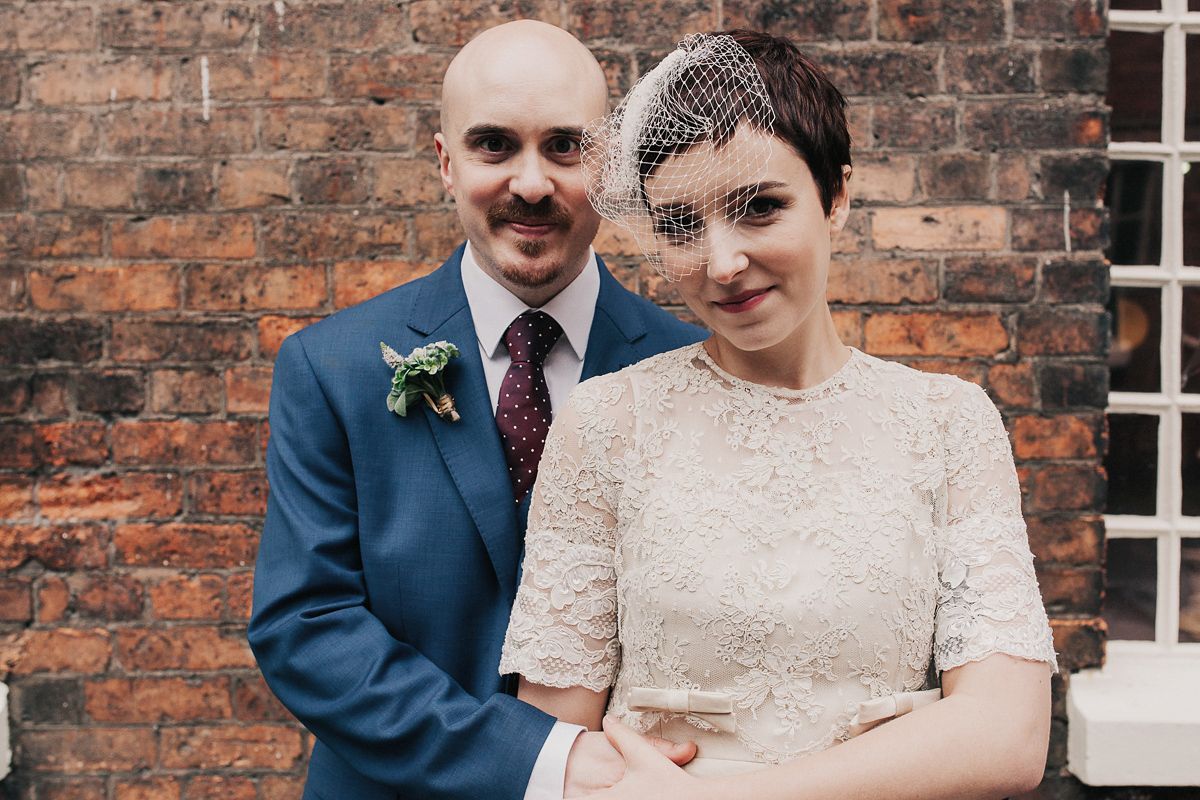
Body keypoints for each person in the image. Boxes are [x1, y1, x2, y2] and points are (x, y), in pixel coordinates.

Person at [500, 30, 1058, 799]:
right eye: (682, 226)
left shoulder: (948, 425)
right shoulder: (605, 426)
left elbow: (1009, 736)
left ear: (837, 197)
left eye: (759, 207)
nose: (722, 263)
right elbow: (558, 735)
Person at [248, 20, 704, 800]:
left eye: (566, 146)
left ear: (609, 164)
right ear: (444, 163)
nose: (532, 183)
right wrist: (543, 761)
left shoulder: (693, 369)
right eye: (495, 145)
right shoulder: (331, 366)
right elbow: (308, 626)